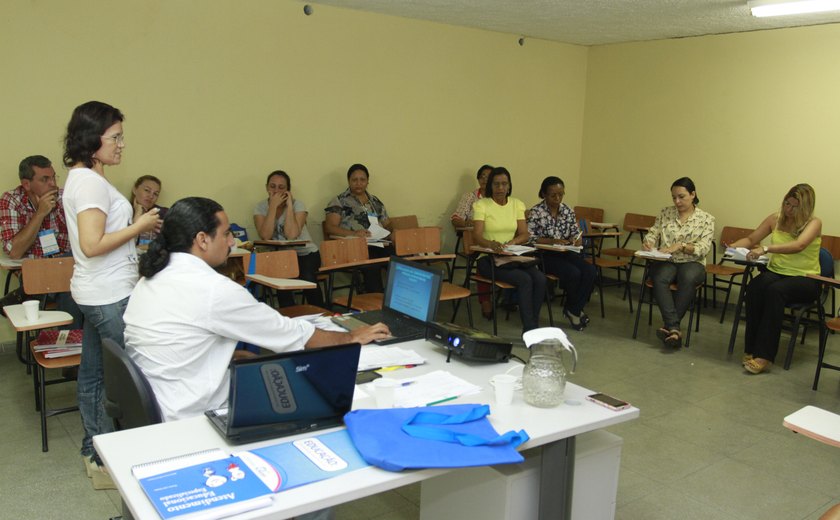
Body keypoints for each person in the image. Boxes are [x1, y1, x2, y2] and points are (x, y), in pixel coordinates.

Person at [124, 197, 390, 422]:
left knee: (257, 363)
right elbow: (291, 335)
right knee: (313, 392)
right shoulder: (213, 290)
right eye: (227, 233)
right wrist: (350, 338)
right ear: (202, 239)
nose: (231, 242)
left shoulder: (151, 278)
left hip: (163, 399)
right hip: (191, 414)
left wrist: (220, 356)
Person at [62, 101, 162, 489]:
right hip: (107, 295)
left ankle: (96, 453)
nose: (122, 144)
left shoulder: (86, 177)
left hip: (95, 291)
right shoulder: (87, 181)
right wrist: (138, 224)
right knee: (119, 379)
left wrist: (136, 227)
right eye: (115, 137)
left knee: (92, 374)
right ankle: (113, 455)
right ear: (92, 138)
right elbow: (92, 243)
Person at [729, 183, 821, 374]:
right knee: (755, 287)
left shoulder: (814, 223)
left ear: (805, 207)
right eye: (787, 203)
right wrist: (732, 249)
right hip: (778, 272)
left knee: (775, 291)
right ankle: (752, 349)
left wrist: (767, 248)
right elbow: (752, 239)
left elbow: (799, 245)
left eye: (795, 206)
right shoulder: (775, 219)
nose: (788, 209)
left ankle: (764, 356)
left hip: (806, 278)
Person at [0, 156, 82, 326]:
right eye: (45, 179)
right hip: (35, 270)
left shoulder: (63, 197)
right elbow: (14, 251)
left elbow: (83, 236)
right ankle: (69, 345)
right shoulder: (11, 200)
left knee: (72, 282)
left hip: (67, 266)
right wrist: (40, 214)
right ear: (26, 184)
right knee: (71, 286)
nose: (52, 183)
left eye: (53, 177)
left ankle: (24, 294)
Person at [641, 177, 714, 349]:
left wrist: (681, 246)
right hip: (667, 260)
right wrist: (648, 242)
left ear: (693, 194)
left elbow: (703, 248)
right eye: (674, 197)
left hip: (692, 262)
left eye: (681, 197)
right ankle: (674, 329)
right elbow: (653, 232)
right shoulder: (666, 213)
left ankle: (670, 327)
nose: (677, 201)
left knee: (687, 277)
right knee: (659, 277)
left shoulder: (706, 219)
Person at [472, 167, 546, 332]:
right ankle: (530, 329)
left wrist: (512, 242)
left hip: (511, 256)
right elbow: (476, 236)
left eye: (504, 184)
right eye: (496, 184)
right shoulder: (481, 205)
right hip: (488, 259)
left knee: (540, 279)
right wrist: (491, 244)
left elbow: (524, 234)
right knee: (524, 280)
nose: (500, 188)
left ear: (509, 186)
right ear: (490, 186)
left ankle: (533, 323)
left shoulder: (517, 204)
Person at [527, 176, 596, 331]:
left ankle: (573, 309)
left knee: (590, 271)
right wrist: (551, 241)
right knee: (573, 273)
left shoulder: (567, 210)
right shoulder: (536, 212)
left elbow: (575, 232)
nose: (557, 198)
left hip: (565, 252)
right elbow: (529, 238)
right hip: (544, 255)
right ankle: (574, 310)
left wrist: (576, 239)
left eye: (561, 194)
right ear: (544, 194)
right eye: (553, 195)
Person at [253, 170, 324, 306]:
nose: (276, 191)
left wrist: (290, 205)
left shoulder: (298, 205)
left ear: (288, 190)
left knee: (307, 278)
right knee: (281, 279)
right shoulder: (260, 207)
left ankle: (321, 313)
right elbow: (265, 235)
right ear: (267, 187)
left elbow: (292, 235)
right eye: (272, 186)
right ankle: (290, 318)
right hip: (280, 256)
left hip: (305, 253)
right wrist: (273, 206)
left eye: (281, 187)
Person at [324, 163, 392, 293]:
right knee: (372, 265)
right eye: (354, 180)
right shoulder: (339, 201)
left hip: (378, 244)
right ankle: (375, 304)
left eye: (362, 180)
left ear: (367, 181)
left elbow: (387, 223)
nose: (358, 183)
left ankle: (400, 301)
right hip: (354, 247)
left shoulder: (374, 201)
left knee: (398, 261)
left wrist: (389, 232)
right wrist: (354, 233)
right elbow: (330, 228)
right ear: (348, 181)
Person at [451, 164, 494, 318]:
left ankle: (510, 298)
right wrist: (469, 223)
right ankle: (485, 300)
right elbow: (456, 219)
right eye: (482, 176)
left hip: (497, 238)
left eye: (489, 177)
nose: (485, 179)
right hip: (475, 240)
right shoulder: (470, 196)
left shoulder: (500, 199)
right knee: (484, 257)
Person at [130, 175, 168, 248]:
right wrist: (137, 215)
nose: (151, 196)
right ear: (135, 189)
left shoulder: (163, 213)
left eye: (155, 194)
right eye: (147, 190)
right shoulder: (124, 210)